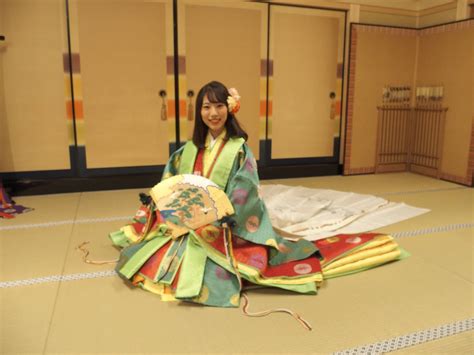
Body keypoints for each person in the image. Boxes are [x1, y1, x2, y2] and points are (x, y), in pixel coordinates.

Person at [109, 81, 323, 309]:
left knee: (216, 258)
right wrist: (163, 201)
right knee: (160, 247)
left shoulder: (239, 149)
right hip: (190, 217)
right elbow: (172, 179)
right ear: (199, 111)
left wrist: (224, 214)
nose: (213, 113)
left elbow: (245, 191)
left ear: (229, 108)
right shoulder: (189, 149)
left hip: (226, 220)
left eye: (219, 106)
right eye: (207, 107)